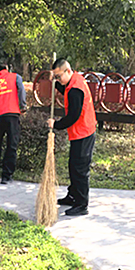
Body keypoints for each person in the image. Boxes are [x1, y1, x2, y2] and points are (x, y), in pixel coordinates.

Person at [47, 59, 97, 216]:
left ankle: (82, 204)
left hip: (84, 133)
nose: (58, 79)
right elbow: (65, 89)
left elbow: (73, 116)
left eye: (58, 76)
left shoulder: (76, 88)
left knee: (80, 169)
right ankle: (73, 196)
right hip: (79, 133)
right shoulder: (73, 81)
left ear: (68, 71)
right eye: (56, 76)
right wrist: (55, 83)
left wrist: (56, 124)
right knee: (73, 166)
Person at [0, 63, 27, 184]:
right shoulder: (15, 77)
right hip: (12, 114)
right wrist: (22, 105)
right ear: (6, 69)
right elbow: (21, 90)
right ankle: (6, 176)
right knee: (11, 145)